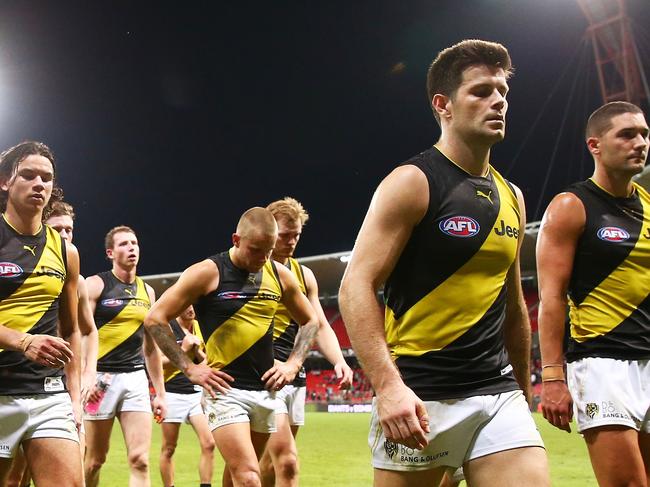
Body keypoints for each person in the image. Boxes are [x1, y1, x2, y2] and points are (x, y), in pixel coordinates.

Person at [338, 39, 549, 487]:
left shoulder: (513, 197)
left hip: (498, 394)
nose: (498, 101)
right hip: (421, 397)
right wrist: (388, 387)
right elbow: (355, 284)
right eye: (481, 91)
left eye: (502, 92)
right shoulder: (412, 182)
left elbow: (513, 305)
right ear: (443, 105)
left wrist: (523, 396)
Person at [144, 207, 319, 487]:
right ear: (236, 239)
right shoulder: (207, 273)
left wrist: (293, 364)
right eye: (256, 249)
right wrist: (190, 369)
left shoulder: (279, 275)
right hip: (224, 391)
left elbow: (311, 321)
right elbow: (154, 318)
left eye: (269, 250)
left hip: (266, 391)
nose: (262, 259)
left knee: (235, 475)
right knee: (249, 476)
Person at [537, 101, 650, 486]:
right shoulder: (572, 206)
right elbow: (551, 297)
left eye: (645, 134)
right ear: (595, 145)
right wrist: (553, 376)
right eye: (627, 134)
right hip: (603, 364)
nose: (640, 142)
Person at [0, 141, 83, 487]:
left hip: (49, 394)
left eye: (46, 178)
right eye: (29, 175)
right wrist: (23, 341)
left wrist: (75, 396)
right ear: (5, 181)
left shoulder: (66, 251)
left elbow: (73, 329)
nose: (39, 184)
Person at [259, 197, 353, 487]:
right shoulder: (253, 272)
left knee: (268, 462)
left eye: (297, 235)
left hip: (295, 376)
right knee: (287, 461)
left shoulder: (305, 275)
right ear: (270, 232)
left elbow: (320, 324)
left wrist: (338, 361)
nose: (292, 241)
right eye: (285, 235)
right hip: (265, 375)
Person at [7, 200, 100, 487]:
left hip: (53, 388)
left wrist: (84, 379)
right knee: (14, 479)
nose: (64, 234)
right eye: (58, 228)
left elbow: (83, 330)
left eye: (69, 229)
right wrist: (24, 341)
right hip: (10, 382)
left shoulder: (72, 269)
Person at [84, 225, 167, 487]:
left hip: (135, 380)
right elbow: (82, 334)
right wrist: (84, 379)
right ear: (110, 252)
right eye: (123, 244)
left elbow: (151, 348)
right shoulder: (95, 285)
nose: (131, 248)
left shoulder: (148, 292)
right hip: (99, 381)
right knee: (95, 460)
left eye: (134, 243)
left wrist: (160, 393)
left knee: (140, 459)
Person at [159, 305, 215, 487]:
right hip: (172, 392)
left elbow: (210, 361)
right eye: (187, 305)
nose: (191, 308)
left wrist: (196, 351)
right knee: (169, 448)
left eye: (193, 304)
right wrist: (183, 349)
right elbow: (159, 363)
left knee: (209, 443)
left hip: (196, 393)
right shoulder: (167, 327)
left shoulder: (200, 327)